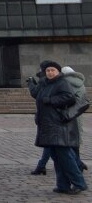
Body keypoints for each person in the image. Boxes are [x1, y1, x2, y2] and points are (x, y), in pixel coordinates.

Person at [28, 60, 87, 195]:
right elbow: (37, 95)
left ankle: (79, 183)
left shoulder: (62, 82)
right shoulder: (45, 84)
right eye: (47, 70)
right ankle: (62, 185)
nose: (49, 72)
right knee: (57, 157)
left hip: (60, 125)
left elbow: (69, 98)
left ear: (58, 72)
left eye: (52, 70)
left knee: (65, 157)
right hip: (48, 125)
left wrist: (51, 100)